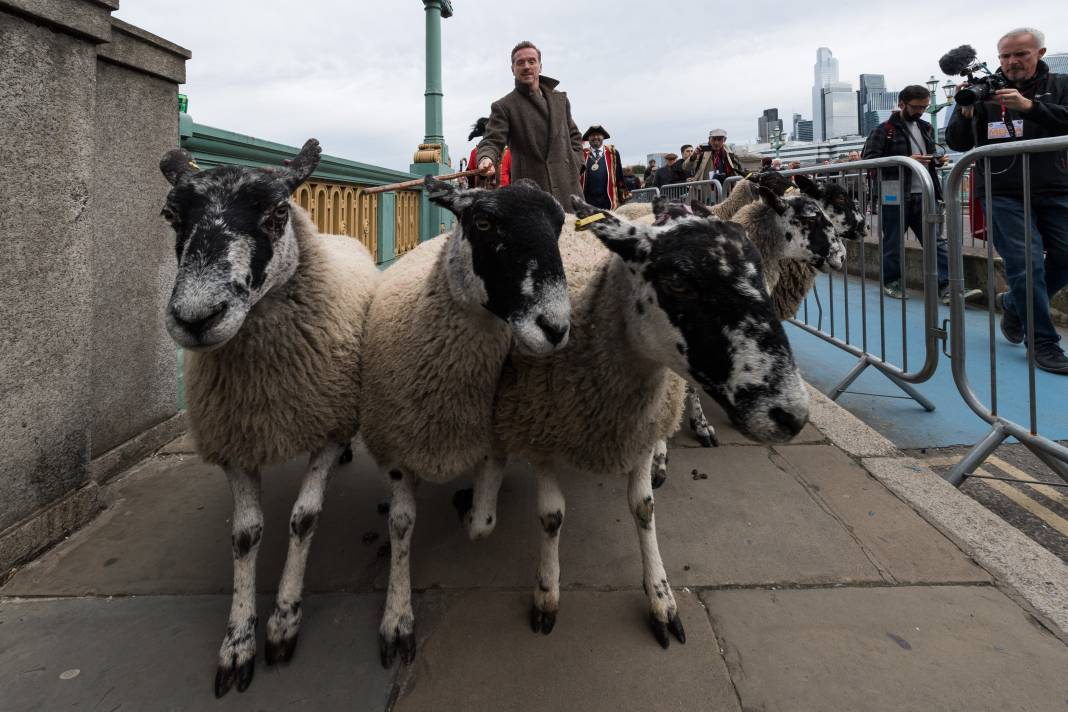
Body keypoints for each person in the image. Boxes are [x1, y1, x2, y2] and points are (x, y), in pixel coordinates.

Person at [946, 27, 1068, 373]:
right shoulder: (983, 91)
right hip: (1001, 191)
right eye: (1005, 56)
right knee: (1025, 261)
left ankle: (1014, 304)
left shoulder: (1061, 85)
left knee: (1065, 255)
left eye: (1021, 54)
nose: (1012, 62)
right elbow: (956, 143)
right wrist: (966, 112)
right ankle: (1043, 342)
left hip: (1055, 185)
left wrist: (1030, 107)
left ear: (1040, 53)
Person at [862, 84, 951, 303]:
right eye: (916, 106)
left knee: (936, 242)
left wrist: (937, 160)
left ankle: (947, 285)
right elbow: (869, 161)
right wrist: (906, 161)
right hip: (894, 194)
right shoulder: (883, 130)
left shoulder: (926, 128)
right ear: (901, 104)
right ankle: (892, 282)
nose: (921, 111)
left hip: (924, 193)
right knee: (893, 242)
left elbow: (928, 156)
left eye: (925, 107)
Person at [477, 41, 583, 210]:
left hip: (569, 190)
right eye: (520, 62)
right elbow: (492, 141)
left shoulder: (560, 100)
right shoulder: (504, 106)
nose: (526, 66)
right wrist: (486, 158)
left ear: (540, 66)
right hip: (532, 195)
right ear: (512, 69)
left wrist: (576, 163)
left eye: (531, 61)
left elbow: (575, 135)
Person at [579, 125, 627, 210]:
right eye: (592, 135)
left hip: (608, 199)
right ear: (588, 138)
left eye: (598, 135)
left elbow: (619, 176)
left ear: (603, 137)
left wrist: (622, 197)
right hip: (588, 200)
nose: (595, 137)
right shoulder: (582, 154)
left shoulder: (613, 153)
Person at [467, 118, 510, 188]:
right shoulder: (474, 152)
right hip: (480, 193)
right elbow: (470, 177)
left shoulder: (508, 152)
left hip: (503, 194)